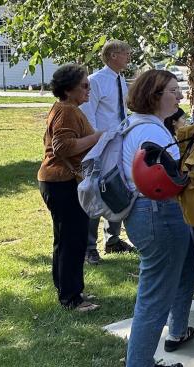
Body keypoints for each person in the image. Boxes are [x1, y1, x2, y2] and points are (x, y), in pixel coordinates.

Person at [121, 70, 194, 367]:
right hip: (158, 214)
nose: (179, 97)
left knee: (185, 267)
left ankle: (177, 330)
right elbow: (178, 179)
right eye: (173, 91)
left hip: (145, 213)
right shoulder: (152, 135)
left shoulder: (137, 125)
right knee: (154, 293)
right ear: (155, 95)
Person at [38, 64, 102, 312]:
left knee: (66, 239)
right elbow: (62, 147)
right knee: (72, 240)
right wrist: (98, 137)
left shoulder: (67, 108)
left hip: (57, 181)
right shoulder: (67, 110)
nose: (89, 89)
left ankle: (68, 289)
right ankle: (71, 298)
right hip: (62, 182)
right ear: (69, 89)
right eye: (85, 85)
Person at [79, 39, 135, 265]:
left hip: (118, 142)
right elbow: (87, 113)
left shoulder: (120, 79)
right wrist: (94, 143)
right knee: (95, 190)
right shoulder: (96, 81)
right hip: (100, 144)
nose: (129, 57)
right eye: (126, 53)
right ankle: (89, 247)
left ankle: (112, 239)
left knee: (117, 187)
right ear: (113, 55)